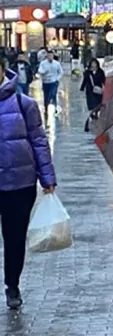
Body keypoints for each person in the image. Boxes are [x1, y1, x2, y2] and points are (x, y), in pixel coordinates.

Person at [0, 57, 57, 310]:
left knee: (14, 239)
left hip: (19, 184)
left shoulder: (24, 104)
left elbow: (38, 140)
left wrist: (47, 177)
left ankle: (12, 285)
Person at [80, 59, 105, 132]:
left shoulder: (101, 72)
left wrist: (105, 89)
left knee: (98, 105)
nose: (93, 65)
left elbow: (104, 81)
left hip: (99, 92)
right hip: (90, 92)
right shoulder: (88, 72)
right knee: (92, 106)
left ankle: (96, 116)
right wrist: (82, 88)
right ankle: (91, 118)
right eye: (92, 63)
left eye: (95, 63)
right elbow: (85, 80)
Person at [37, 50, 62, 115]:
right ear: (47, 56)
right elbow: (40, 71)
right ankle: (46, 108)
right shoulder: (43, 63)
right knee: (46, 96)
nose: (50, 57)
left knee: (53, 94)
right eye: (49, 55)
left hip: (53, 82)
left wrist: (57, 79)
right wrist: (44, 71)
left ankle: (54, 107)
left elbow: (60, 72)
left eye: (51, 55)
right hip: (45, 82)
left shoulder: (57, 64)